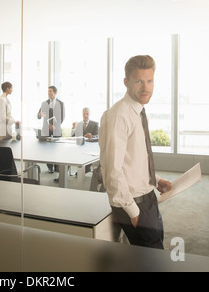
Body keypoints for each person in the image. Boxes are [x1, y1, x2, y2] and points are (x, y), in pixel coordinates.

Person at [98, 55, 171, 249]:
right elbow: (112, 171)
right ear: (126, 82)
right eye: (139, 81)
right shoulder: (119, 116)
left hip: (148, 199)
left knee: (153, 257)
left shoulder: (137, 112)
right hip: (134, 204)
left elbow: (134, 161)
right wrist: (133, 211)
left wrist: (155, 180)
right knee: (152, 262)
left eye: (149, 81)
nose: (145, 88)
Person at [37, 86, 65, 174]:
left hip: (56, 130)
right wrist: (39, 114)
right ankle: (50, 167)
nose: (49, 93)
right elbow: (38, 116)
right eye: (48, 91)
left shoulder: (61, 103)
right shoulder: (44, 103)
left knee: (57, 150)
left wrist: (55, 126)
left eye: (50, 91)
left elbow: (62, 117)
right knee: (47, 150)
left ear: (55, 92)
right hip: (46, 129)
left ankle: (57, 168)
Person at [72, 107, 99, 173]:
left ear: (89, 114)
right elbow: (73, 136)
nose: (85, 115)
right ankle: (62, 176)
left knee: (86, 155)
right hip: (79, 146)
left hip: (89, 147)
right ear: (82, 114)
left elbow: (97, 136)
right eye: (84, 114)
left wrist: (92, 136)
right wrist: (73, 128)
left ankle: (84, 170)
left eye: (87, 114)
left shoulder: (95, 124)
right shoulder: (79, 124)